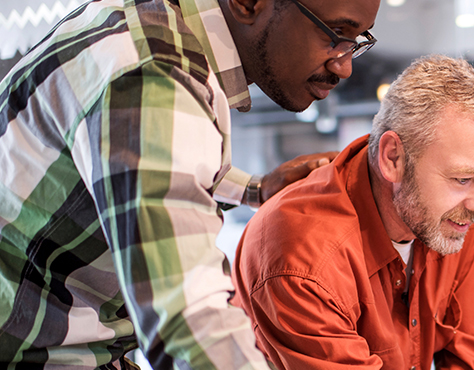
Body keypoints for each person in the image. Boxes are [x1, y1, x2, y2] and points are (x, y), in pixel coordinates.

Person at [0, 0, 380, 366]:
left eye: (357, 41)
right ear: (248, 2)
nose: (344, 66)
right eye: (335, 33)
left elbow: (143, 158)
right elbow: (188, 321)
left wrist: (256, 189)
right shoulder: (157, 73)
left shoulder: (154, 28)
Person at [231, 55, 474, 369]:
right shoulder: (304, 261)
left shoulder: (456, 213)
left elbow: (471, 352)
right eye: (462, 179)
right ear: (393, 159)